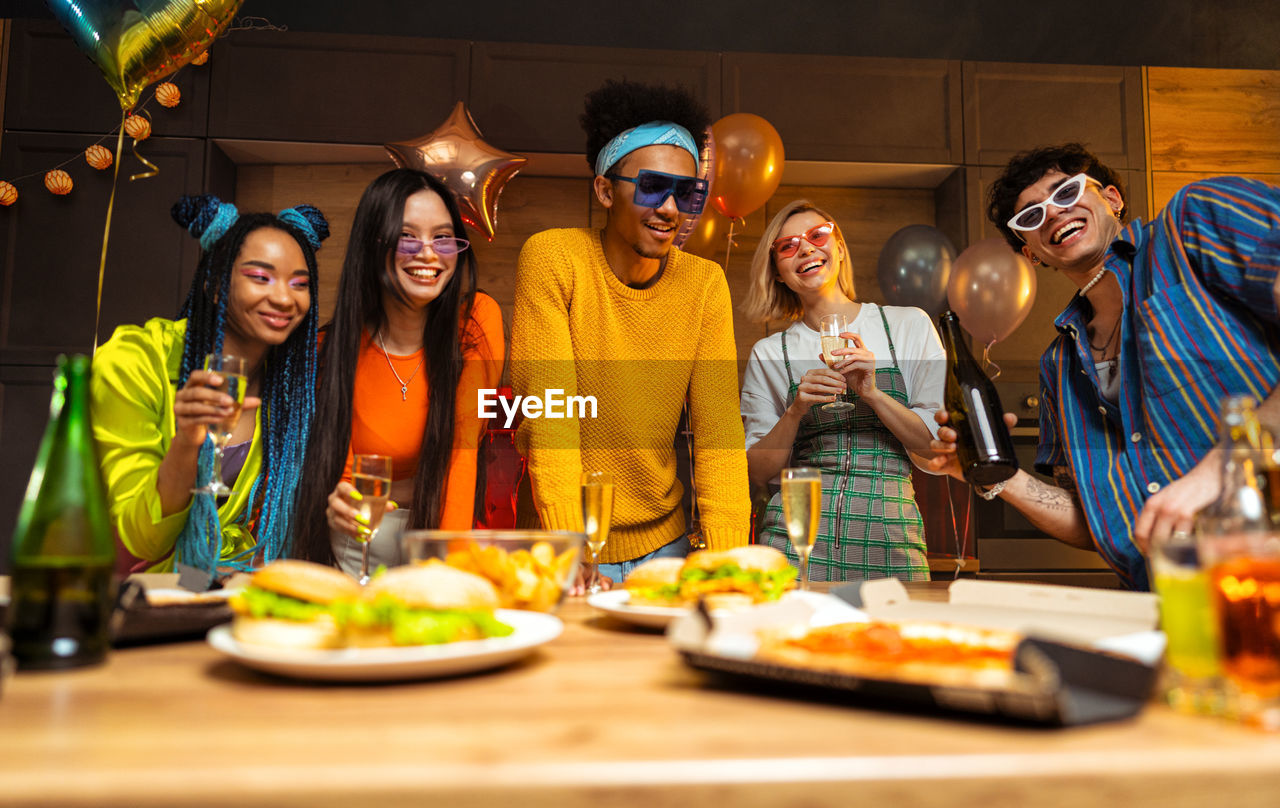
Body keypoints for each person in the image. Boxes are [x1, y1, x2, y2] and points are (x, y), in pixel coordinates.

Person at [928, 143, 1280, 590]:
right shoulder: (1058, 364)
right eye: (1031, 217)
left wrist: (1219, 471)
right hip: (1169, 596)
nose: (1053, 213)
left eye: (1066, 191)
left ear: (1112, 198)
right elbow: (1092, 516)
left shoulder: (1194, 221)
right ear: (1032, 254)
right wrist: (1000, 477)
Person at [510, 79, 751, 585]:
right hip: (561, 543)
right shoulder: (554, 258)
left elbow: (720, 437)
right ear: (603, 190)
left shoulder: (705, 284)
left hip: (665, 545)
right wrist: (567, 543)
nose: (669, 208)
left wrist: (731, 568)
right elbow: (549, 417)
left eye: (686, 192)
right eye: (651, 186)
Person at [92, 194, 329, 574]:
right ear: (215, 285)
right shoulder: (134, 360)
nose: (284, 298)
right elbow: (143, 541)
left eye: (299, 284)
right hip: (127, 598)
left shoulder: (291, 390)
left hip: (223, 593)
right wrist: (187, 442)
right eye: (260, 278)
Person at [293, 169, 504, 574]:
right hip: (355, 549)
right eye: (407, 236)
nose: (428, 254)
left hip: (441, 540)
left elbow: (460, 454)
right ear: (374, 245)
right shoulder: (328, 349)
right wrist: (342, 499)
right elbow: (344, 480)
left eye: (443, 237)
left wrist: (444, 574)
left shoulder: (477, 325)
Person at [739, 201, 945, 581]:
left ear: (840, 248)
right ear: (779, 273)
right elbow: (757, 471)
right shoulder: (769, 352)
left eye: (818, 236)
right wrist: (795, 411)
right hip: (794, 543)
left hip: (892, 542)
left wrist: (874, 394)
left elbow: (932, 447)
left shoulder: (908, 326)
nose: (805, 249)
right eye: (787, 246)